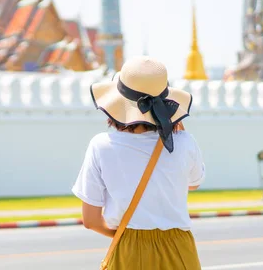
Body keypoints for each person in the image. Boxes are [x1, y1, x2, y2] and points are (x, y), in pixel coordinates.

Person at [72, 56, 205, 269]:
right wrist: (174, 128)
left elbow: (91, 221)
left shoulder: (101, 145)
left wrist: (124, 236)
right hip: (180, 248)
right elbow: (194, 182)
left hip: (129, 248)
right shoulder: (184, 143)